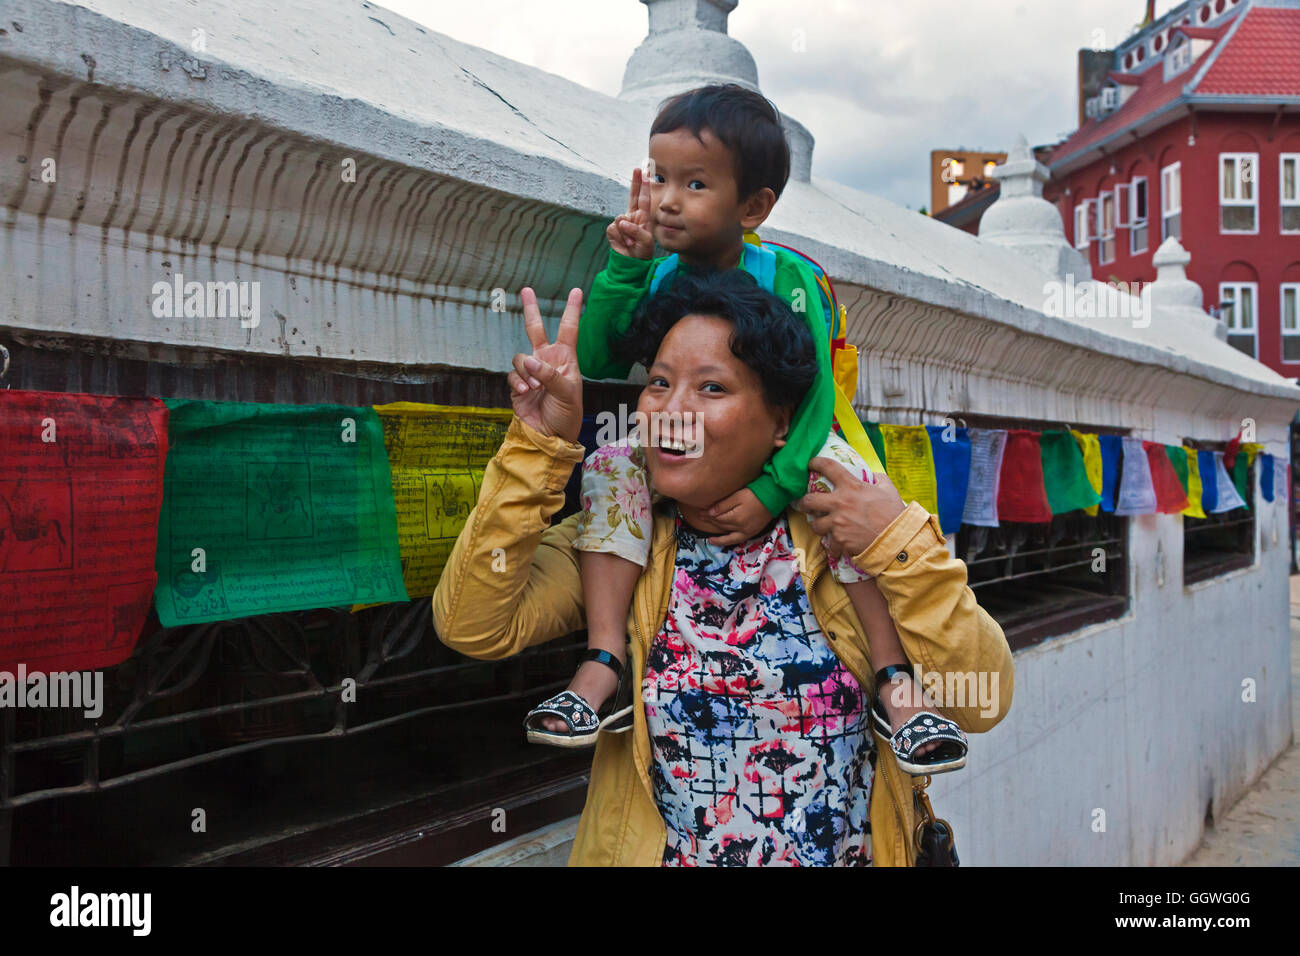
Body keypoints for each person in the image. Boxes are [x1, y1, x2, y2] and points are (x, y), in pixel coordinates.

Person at [432, 270, 1015, 865]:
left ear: (781, 422)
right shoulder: (620, 536)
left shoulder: (840, 531)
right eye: (659, 382)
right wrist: (537, 444)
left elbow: (982, 700)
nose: (672, 410)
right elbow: (473, 624)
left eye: (712, 388)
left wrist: (898, 543)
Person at [522, 84, 953, 769]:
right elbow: (604, 357)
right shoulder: (657, 274)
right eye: (659, 177)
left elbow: (809, 399)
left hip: (795, 444)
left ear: (752, 206)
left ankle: (893, 676)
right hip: (688, 444)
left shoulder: (788, 279)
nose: (666, 199)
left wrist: (774, 489)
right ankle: (603, 663)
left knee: (854, 482)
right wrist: (625, 272)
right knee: (608, 467)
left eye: (695, 184)